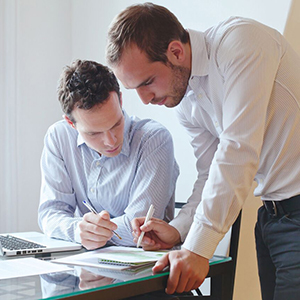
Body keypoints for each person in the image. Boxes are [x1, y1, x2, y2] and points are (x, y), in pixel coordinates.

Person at [106, 3, 300, 299]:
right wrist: (180, 230)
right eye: (135, 90)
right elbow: (210, 173)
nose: (145, 100)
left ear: (176, 52)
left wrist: (198, 248)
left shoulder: (242, 42)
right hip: (271, 217)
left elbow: (238, 150)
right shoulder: (185, 100)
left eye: (147, 82)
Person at [38, 59, 179, 250]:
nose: (111, 141)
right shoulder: (59, 137)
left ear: (120, 100)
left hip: (145, 269)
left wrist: (92, 233)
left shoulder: (153, 139)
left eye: (116, 124)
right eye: (94, 133)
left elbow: (140, 232)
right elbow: (50, 213)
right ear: (71, 123)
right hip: (85, 266)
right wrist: (78, 231)